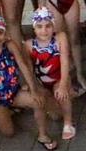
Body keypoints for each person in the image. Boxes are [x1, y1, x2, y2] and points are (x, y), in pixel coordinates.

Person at [0, 14, 57, 150]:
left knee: (38, 101)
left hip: (15, 92)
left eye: (0, 32)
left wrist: (33, 89)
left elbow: (23, 66)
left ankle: (43, 135)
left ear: (5, 33)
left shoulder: (9, 46)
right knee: (8, 133)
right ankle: (7, 111)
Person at [25, 8, 77, 140]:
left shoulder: (60, 38)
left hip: (58, 78)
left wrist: (64, 84)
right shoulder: (29, 45)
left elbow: (64, 62)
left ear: (53, 26)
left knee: (62, 95)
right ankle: (42, 133)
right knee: (47, 109)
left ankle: (68, 123)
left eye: (48, 26)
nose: (44, 30)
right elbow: (29, 69)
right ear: (34, 28)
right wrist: (33, 88)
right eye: (39, 27)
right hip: (41, 82)